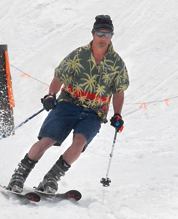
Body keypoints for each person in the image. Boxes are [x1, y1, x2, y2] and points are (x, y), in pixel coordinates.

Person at [7, 15, 129, 193]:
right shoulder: (78, 55)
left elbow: (119, 91)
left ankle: (51, 179)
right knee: (48, 140)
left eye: (107, 34)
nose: (103, 38)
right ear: (93, 33)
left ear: (111, 36)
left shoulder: (117, 63)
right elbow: (59, 77)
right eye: (99, 33)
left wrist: (117, 114)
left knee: (79, 142)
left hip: (95, 112)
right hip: (68, 105)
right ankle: (18, 176)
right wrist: (51, 95)